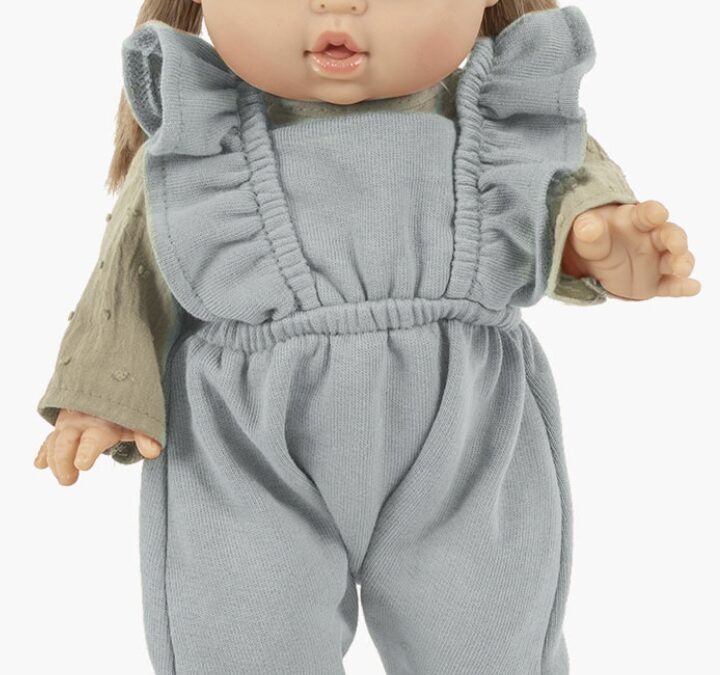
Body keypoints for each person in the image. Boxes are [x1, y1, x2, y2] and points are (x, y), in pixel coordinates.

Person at [35, 1, 700, 673]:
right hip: (244, 442)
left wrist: (602, 246)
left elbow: (563, 201)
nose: (339, 4)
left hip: (465, 436)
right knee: (240, 629)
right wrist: (101, 391)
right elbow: (132, 268)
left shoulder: (505, 120)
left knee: (486, 630)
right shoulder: (198, 133)